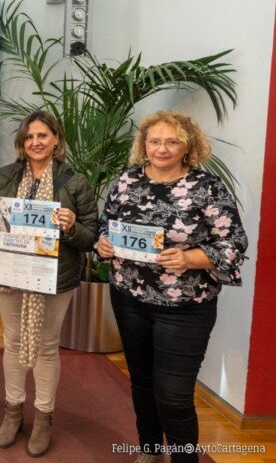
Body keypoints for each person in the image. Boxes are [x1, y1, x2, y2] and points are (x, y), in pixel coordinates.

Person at [96, 111, 246, 463]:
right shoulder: (126, 180)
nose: (161, 148)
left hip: (185, 308)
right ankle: (149, 450)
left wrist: (191, 259)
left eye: (171, 141)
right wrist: (103, 241)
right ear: (143, 145)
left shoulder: (207, 187)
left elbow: (234, 243)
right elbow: (107, 223)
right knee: (142, 383)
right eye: (154, 141)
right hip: (129, 298)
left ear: (187, 146)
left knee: (174, 395)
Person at [0, 110, 97, 457]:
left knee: (46, 346)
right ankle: (13, 410)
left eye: (43, 135)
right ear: (22, 142)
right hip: (13, 273)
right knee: (12, 341)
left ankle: (44, 416)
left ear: (56, 139)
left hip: (55, 278)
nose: (36, 143)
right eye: (29, 137)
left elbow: (90, 237)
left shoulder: (75, 182)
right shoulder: (4, 177)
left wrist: (72, 226)